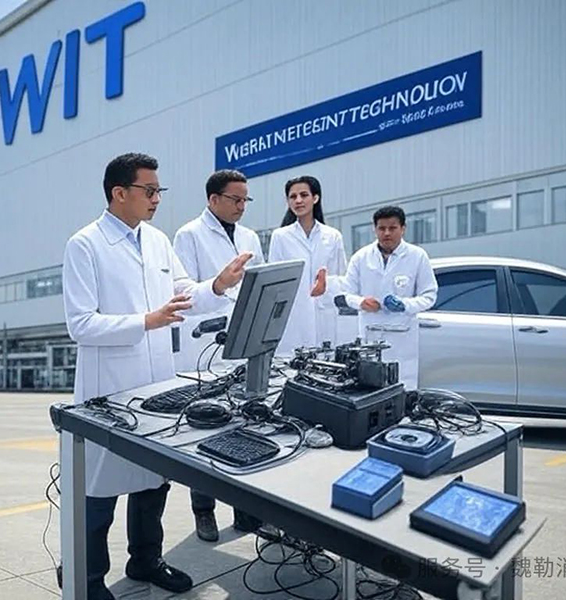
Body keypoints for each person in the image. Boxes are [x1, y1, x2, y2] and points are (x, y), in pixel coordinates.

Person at [62, 153, 252, 600]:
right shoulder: (85, 244)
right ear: (119, 193)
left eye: (158, 191)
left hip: (156, 387)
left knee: (152, 481)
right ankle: (89, 581)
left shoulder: (158, 240)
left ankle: (146, 559)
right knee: (99, 491)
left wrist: (218, 285)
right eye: (149, 191)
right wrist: (146, 321)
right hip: (108, 389)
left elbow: (183, 292)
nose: (157, 199)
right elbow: (80, 324)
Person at [173, 169, 265, 543]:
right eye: (235, 199)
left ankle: (247, 510)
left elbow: (259, 285)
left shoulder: (250, 237)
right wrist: (220, 287)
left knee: (247, 425)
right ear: (213, 199)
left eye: (245, 200)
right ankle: (204, 510)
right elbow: (184, 293)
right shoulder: (189, 235)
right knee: (205, 428)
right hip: (206, 345)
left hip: (244, 341)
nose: (242, 206)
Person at [312, 205, 437, 390]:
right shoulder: (361, 257)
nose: (387, 233)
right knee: (371, 387)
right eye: (382, 228)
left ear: (403, 228)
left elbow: (429, 295)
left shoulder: (417, 256)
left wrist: (405, 304)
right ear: (374, 229)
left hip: (402, 335)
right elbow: (346, 293)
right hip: (370, 333)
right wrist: (361, 302)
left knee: (403, 385)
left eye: (392, 228)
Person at [268, 175, 349, 355]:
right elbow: (275, 281)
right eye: (293, 197)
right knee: (291, 362)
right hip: (292, 315)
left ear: (315, 198)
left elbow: (342, 278)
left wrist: (326, 285)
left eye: (304, 195)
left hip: (324, 312)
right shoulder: (280, 236)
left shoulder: (332, 236)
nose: (298, 200)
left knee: (325, 363)